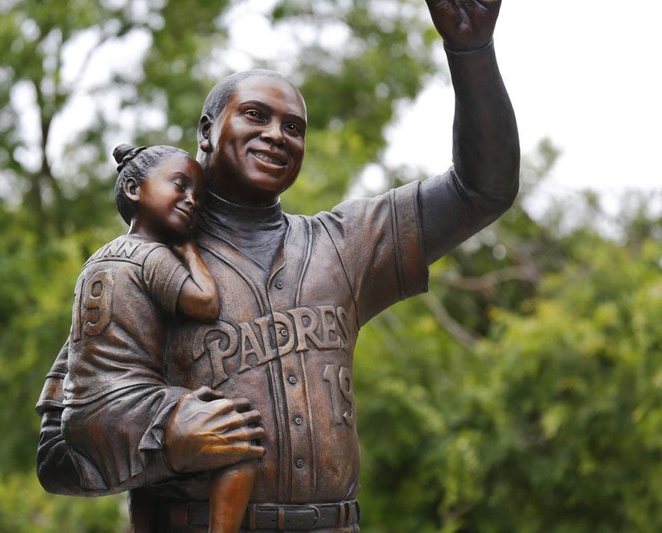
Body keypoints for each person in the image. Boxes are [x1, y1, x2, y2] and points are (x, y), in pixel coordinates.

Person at [36, 1, 519, 531]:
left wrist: (470, 51)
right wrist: (168, 427)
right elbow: (62, 449)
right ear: (206, 131)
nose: (276, 135)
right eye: (255, 115)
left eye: (294, 127)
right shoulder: (141, 262)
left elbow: (483, 189)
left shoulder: (345, 245)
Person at [55, 143, 258, 533]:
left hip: (80, 413)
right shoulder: (151, 255)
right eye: (180, 186)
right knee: (238, 440)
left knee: (150, 472)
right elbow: (205, 302)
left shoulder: (95, 260)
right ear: (134, 189)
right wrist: (188, 250)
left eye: (198, 197)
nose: (191, 200)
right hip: (127, 405)